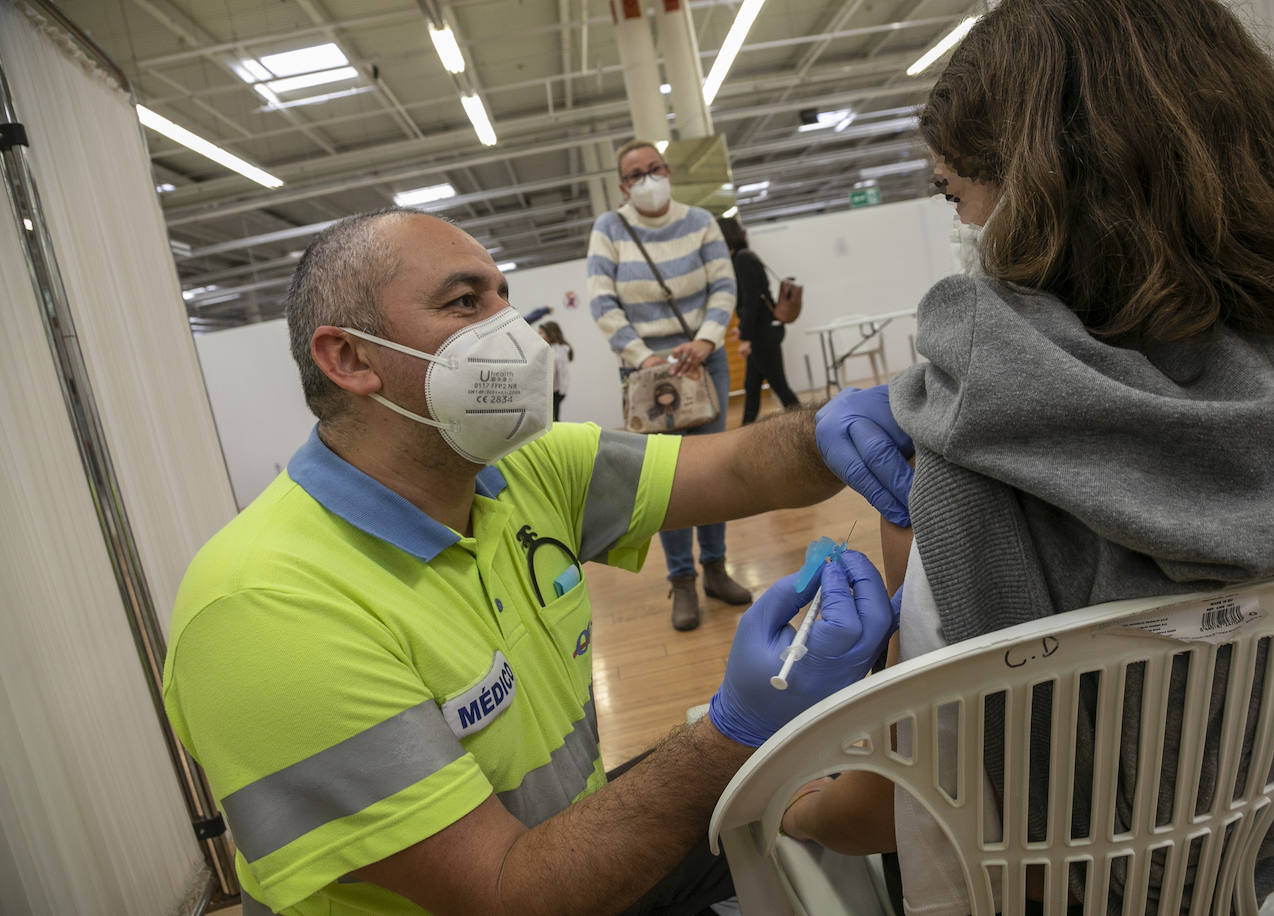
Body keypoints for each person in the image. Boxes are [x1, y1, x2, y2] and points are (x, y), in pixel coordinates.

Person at [162, 207, 898, 916]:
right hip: (526, 886)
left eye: (504, 297)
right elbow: (504, 894)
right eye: (464, 302)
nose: (512, 332)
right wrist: (734, 730)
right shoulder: (266, 608)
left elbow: (740, 468)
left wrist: (848, 426)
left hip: (562, 851)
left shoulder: (523, 469)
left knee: (791, 794)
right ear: (350, 357)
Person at [804, 0, 1274, 912]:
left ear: (1038, 189)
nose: (962, 223)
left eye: (956, 192)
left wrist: (793, 799)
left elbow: (906, 792)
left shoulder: (966, 456)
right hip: (1237, 878)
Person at [587, 139, 752, 631]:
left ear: (669, 171)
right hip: (644, 369)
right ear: (622, 186)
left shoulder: (701, 221)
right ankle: (681, 580)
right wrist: (644, 358)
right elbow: (602, 301)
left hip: (703, 363)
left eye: (654, 169)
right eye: (636, 175)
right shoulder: (609, 228)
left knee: (715, 471)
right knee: (662, 480)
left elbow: (724, 286)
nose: (648, 180)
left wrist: (704, 341)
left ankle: (716, 568)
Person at [717, 216, 800, 424]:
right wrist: (742, 329)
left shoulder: (742, 260)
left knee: (780, 387)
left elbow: (751, 303)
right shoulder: (743, 258)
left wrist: (746, 338)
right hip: (761, 332)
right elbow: (750, 304)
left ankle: (809, 426)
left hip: (763, 336)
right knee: (752, 387)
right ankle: (744, 431)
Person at [537, 320, 572, 420]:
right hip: (548, 390)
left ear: (550, 334)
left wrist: (563, 391)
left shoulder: (560, 351)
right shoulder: (547, 349)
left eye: (541, 333)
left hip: (554, 391)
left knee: (554, 418)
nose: (538, 335)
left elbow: (562, 372)